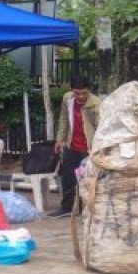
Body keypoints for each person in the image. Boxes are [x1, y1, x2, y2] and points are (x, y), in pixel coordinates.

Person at [52, 75, 100, 218]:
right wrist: (60, 139)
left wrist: (98, 149)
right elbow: (64, 119)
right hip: (71, 144)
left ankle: (92, 209)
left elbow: (101, 128)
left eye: (84, 93)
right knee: (68, 177)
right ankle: (67, 207)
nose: (80, 96)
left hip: (89, 148)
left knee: (90, 179)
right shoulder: (67, 98)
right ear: (72, 91)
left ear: (89, 90)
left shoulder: (96, 105)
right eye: (77, 93)